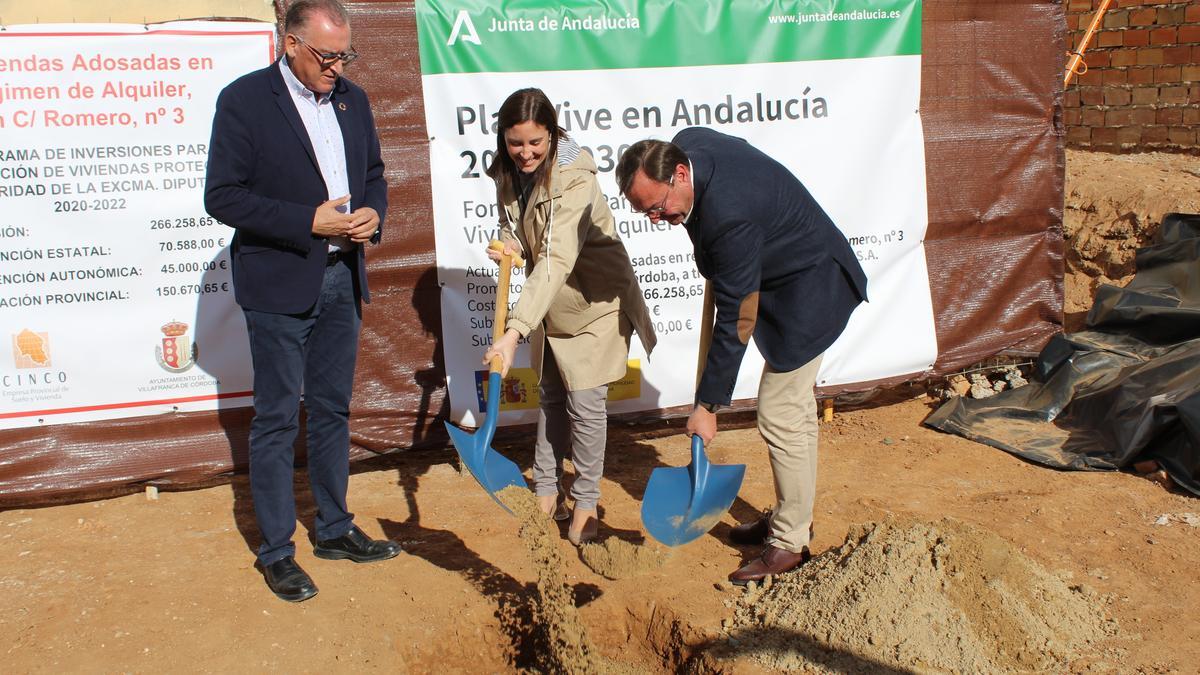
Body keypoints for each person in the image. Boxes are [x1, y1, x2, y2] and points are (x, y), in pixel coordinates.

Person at [204, 0, 399, 603]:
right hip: (281, 284)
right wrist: (306, 222)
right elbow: (223, 197)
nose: (337, 66)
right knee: (277, 418)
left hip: (343, 278)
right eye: (326, 55)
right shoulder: (244, 102)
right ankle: (277, 551)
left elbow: (373, 175)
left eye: (345, 55)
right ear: (289, 43)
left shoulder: (353, 100)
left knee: (334, 408)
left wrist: (374, 213)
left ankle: (335, 529)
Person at [615, 128, 867, 584]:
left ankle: (790, 542)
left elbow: (735, 322)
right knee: (794, 414)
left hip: (814, 289)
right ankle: (795, 513)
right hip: (781, 274)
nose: (655, 218)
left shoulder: (730, 218)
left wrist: (708, 406)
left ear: (679, 172)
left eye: (657, 206)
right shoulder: (689, 143)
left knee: (780, 411)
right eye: (644, 211)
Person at [483, 88, 656, 545]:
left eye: (535, 143)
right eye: (515, 143)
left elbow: (558, 257)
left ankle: (584, 501)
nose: (525, 153)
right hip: (552, 302)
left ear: (553, 135)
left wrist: (514, 330)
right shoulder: (505, 167)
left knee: (585, 404)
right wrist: (510, 244)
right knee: (553, 396)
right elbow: (516, 222)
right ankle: (545, 490)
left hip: (596, 301)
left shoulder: (575, 178)